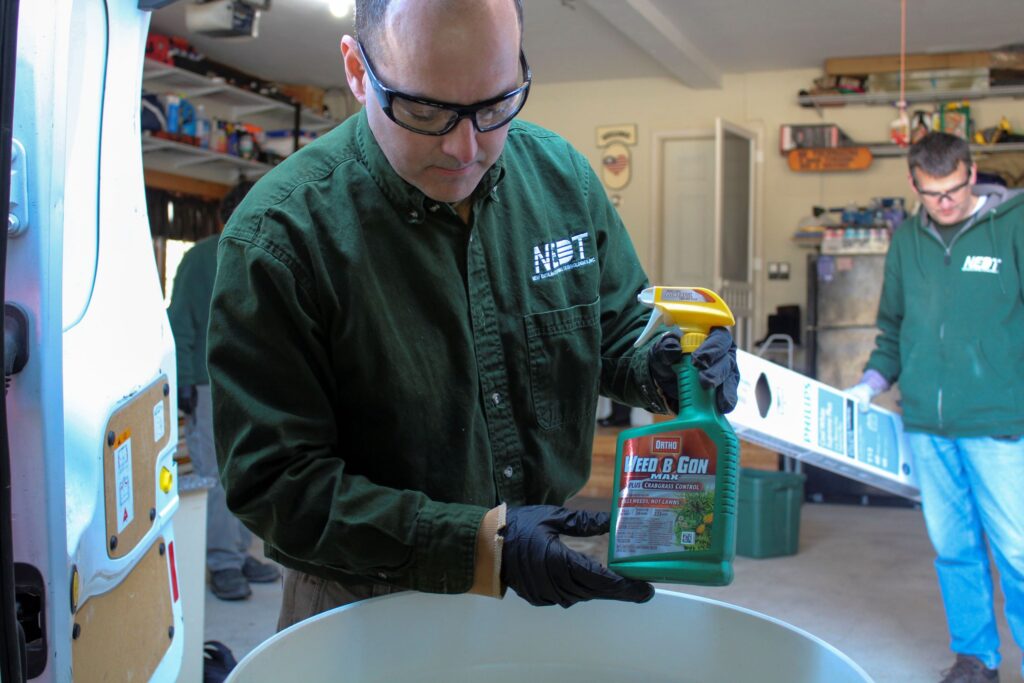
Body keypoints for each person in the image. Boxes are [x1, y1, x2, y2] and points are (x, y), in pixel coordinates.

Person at [206, 0, 739, 630]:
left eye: (494, 106)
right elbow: (275, 484)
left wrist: (664, 364)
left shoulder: (563, 179)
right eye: (424, 110)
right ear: (356, 70)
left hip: (542, 578)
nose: (465, 148)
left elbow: (616, 327)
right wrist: (483, 546)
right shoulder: (280, 235)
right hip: (362, 604)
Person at [847, 132, 1024, 683]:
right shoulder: (907, 242)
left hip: (999, 422)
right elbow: (894, 327)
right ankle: (976, 658)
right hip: (926, 423)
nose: (943, 204)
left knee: (1019, 553)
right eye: (931, 194)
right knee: (954, 549)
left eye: (952, 191)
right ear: (914, 184)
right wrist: (870, 383)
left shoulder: (1013, 224)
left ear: (972, 175)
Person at [167, 180, 281, 601]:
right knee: (216, 476)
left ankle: (236, 551)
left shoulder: (264, 251)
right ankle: (222, 562)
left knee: (249, 473)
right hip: (208, 383)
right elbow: (180, 322)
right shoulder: (199, 259)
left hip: (255, 383)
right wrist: (181, 380)